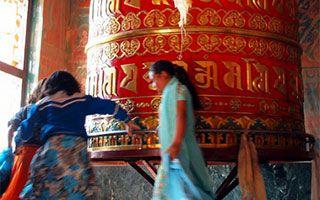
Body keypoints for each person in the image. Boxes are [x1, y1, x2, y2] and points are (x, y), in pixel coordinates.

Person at [18, 71, 139, 199]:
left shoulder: (42, 104)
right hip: (76, 151)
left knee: (45, 188)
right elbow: (108, 105)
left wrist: (20, 142)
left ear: (50, 86)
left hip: (52, 151)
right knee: (77, 187)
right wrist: (127, 121)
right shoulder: (81, 99)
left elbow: (26, 127)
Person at [149, 60, 214, 199]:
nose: (154, 85)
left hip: (180, 149)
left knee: (182, 190)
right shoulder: (169, 91)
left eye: (154, 80)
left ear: (164, 74)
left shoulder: (179, 89)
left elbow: (181, 115)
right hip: (172, 151)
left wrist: (176, 142)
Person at [1, 79, 47, 200]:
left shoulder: (27, 109)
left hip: (23, 155)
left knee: (17, 189)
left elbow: (11, 128)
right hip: (41, 155)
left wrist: (9, 148)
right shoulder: (49, 110)